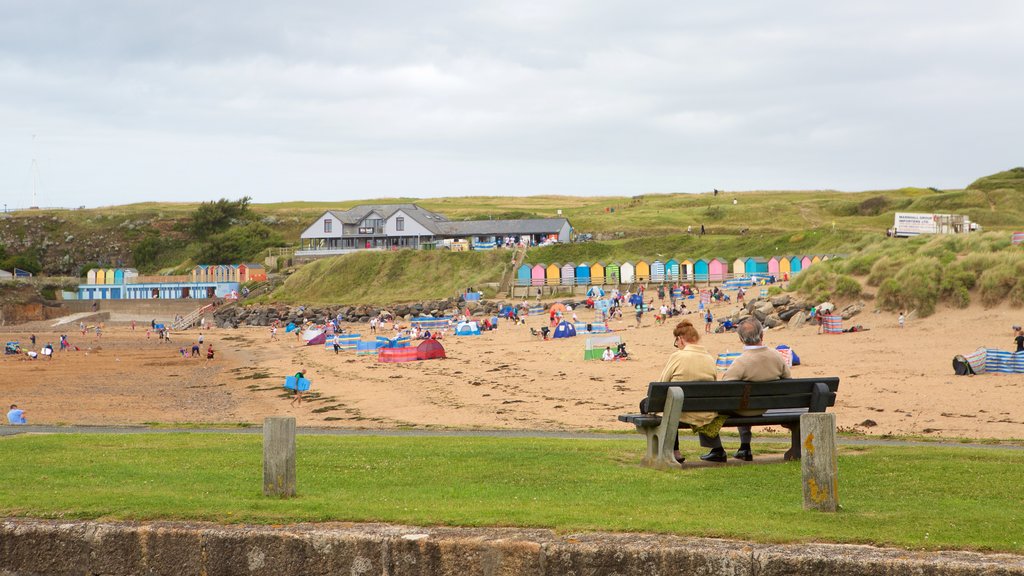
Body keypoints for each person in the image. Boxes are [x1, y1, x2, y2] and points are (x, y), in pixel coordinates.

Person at [699, 318, 791, 463]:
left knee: (705, 410)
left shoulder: (741, 361)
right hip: (765, 406)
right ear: (762, 336)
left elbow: (725, 388)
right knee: (744, 400)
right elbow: (788, 380)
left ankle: (717, 449)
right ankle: (744, 448)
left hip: (744, 409)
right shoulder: (777, 356)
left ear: (741, 339)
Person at [656, 319, 717, 463]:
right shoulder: (709, 358)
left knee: (669, 404)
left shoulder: (677, 356)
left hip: (682, 412)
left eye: (676, 342)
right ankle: (717, 448)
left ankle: (675, 451)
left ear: (681, 339)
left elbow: (661, 384)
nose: (676, 345)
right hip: (706, 411)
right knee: (674, 403)